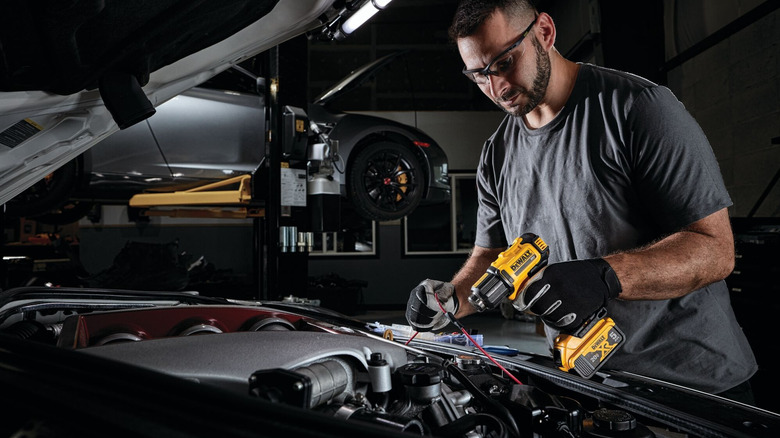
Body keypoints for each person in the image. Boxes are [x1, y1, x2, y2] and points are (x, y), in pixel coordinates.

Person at [405, 0, 757, 402]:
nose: (496, 86)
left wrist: (605, 276)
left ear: (545, 33)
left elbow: (715, 250)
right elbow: (490, 258)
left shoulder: (639, 108)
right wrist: (449, 299)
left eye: (504, 62)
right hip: (587, 385)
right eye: (479, 75)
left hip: (694, 387)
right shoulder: (497, 153)